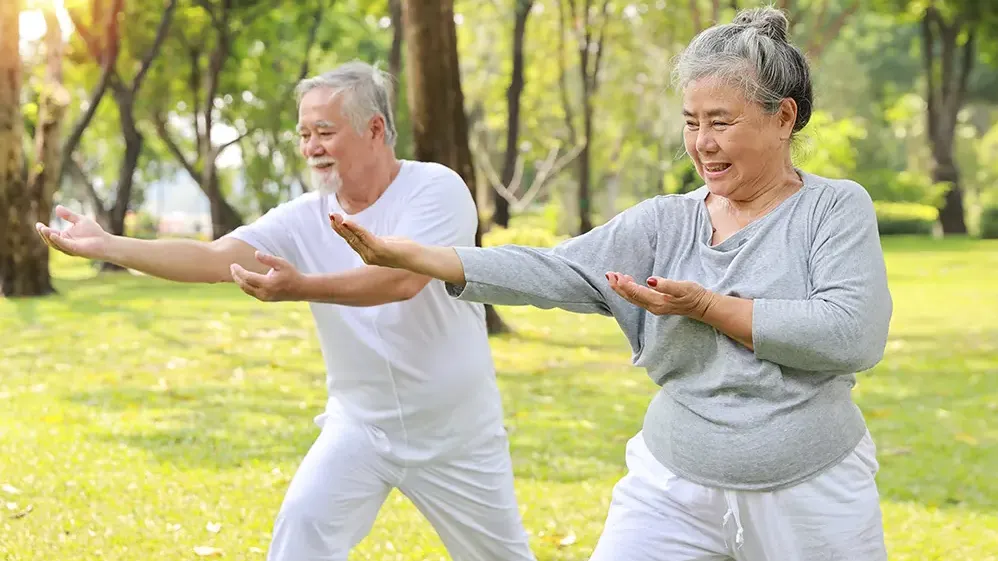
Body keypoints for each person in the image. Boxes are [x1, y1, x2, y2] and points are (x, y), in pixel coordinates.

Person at [329, 8, 893, 561]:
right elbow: (555, 269)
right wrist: (423, 257)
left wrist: (706, 306)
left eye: (721, 122)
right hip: (671, 486)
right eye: (691, 122)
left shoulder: (832, 209)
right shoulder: (665, 221)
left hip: (812, 491)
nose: (702, 143)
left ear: (784, 118)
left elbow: (851, 334)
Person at [36, 62, 536, 561]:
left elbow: (403, 279)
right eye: (303, 134)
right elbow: (212, 258)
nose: (311, 147)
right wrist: (110, 245)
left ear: (374, 129)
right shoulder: (304, 217)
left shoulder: (435, 189)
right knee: (302, 529)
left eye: (325, 132)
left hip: (456, 433)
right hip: (361, 428)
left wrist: (302, 287)